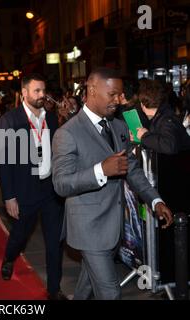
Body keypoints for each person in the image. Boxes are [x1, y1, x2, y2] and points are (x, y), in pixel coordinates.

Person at [51, 67, 173, 300]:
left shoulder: (117, 127)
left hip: (113, 227)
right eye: (113, 94)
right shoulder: (67, 133)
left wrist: (155, 200)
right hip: (88, 229)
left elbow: (133, 170)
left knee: (86, 289)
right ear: (93, 90)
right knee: (110, 293)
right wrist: (100, 170)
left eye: (120, 94)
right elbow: (61, 184)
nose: (119, 100)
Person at [0, 73, 66, 300]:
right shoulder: (10, 120)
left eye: (43, 90)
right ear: (24, 93)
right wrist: (9, 196)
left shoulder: (52, 118)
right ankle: (9, 258)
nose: (41, 95)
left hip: (50, 190)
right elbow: (4, 161)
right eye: (36, 91)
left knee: (54, 241)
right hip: (25, 189)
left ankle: (54, 289)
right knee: (20, 233)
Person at [131, 79, 190, 283]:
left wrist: (145, 136)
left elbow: (169, 145)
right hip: (171, 187)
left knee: (174, 239)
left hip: (175, 190)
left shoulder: (166, 120)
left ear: (143, 104)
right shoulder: (162, 116)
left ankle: (174, 280)